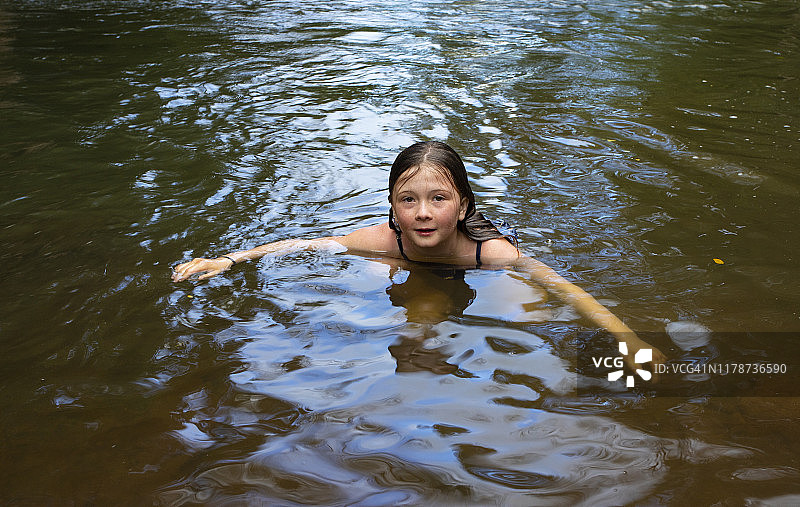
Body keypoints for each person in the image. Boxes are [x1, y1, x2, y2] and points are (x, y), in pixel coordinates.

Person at [172, 141, 666, 373]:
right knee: (400, 306)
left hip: (470, 272)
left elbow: (566, 288)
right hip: (409, 269)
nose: (423, 213)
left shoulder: (492, 252)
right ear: (393, 207)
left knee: (528, 312)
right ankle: (419, 366)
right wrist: (231, 260)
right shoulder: (384, 240)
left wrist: (629, 340)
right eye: (408, 200)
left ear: (463, 206)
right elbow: (305, 244)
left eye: (438, 199)